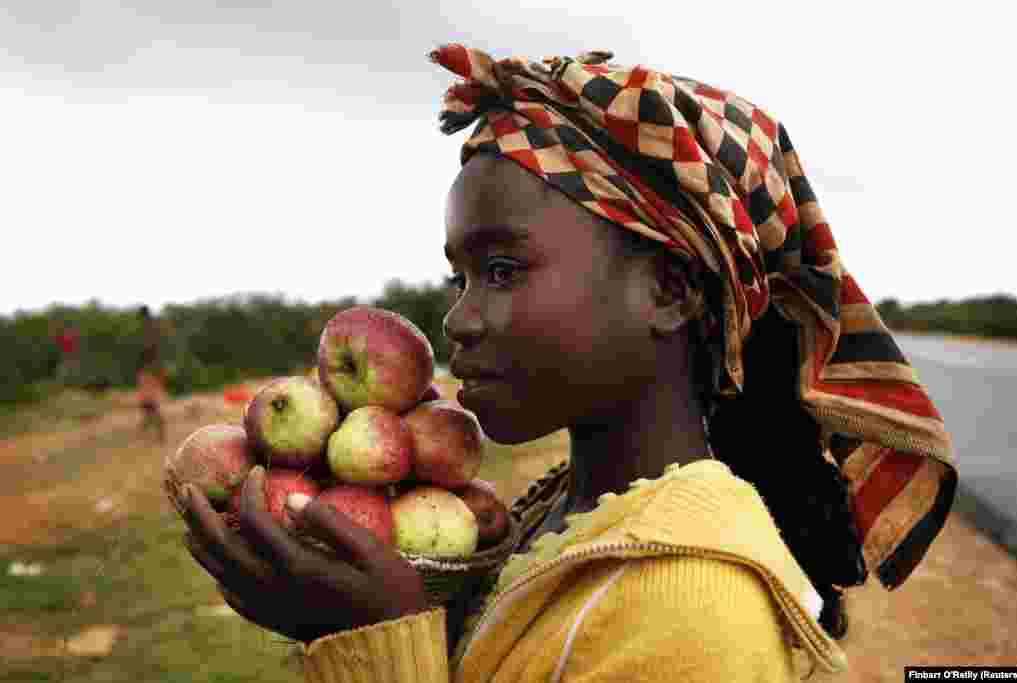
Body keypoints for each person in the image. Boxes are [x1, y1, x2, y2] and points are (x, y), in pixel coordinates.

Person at [176, 45, 958, 681]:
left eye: (503, 271)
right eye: (460, 277)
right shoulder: (564, 517)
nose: (459, 316)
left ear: (669, 290)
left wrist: (378, 641)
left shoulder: (694, 612)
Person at [137, 305, 167, 443]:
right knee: (148, 405)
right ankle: (149, 427)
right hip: (150, 370)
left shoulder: (148, 329)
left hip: (149, 371)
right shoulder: (152, 327)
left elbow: (151, 351)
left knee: (150, 405)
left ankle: (156, 430)